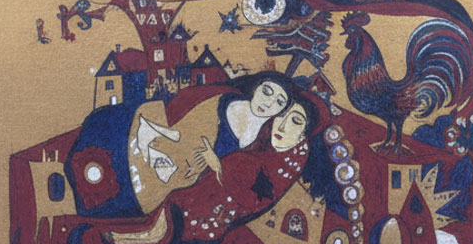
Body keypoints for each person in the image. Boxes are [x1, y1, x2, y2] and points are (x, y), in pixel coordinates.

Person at [70, 89, 328, 244]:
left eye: (295, 120)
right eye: (283, 115)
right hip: (193, 193)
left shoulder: (286, 162)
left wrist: (216, 164)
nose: (282, 124)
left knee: (163, 229)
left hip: (207, 216)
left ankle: (113, 240)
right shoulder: (261, 135)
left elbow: (253, 196)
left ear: (303, 134)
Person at [64, 72, 299, 218]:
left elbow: (233, 178)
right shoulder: (225, 99)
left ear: (281, 111)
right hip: (161, 142)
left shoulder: (259, 141)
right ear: (256, 88)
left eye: (278, 102)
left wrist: (214, 165)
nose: (268, 103)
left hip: (181, 177)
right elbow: (180, 118)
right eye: (267, 91)